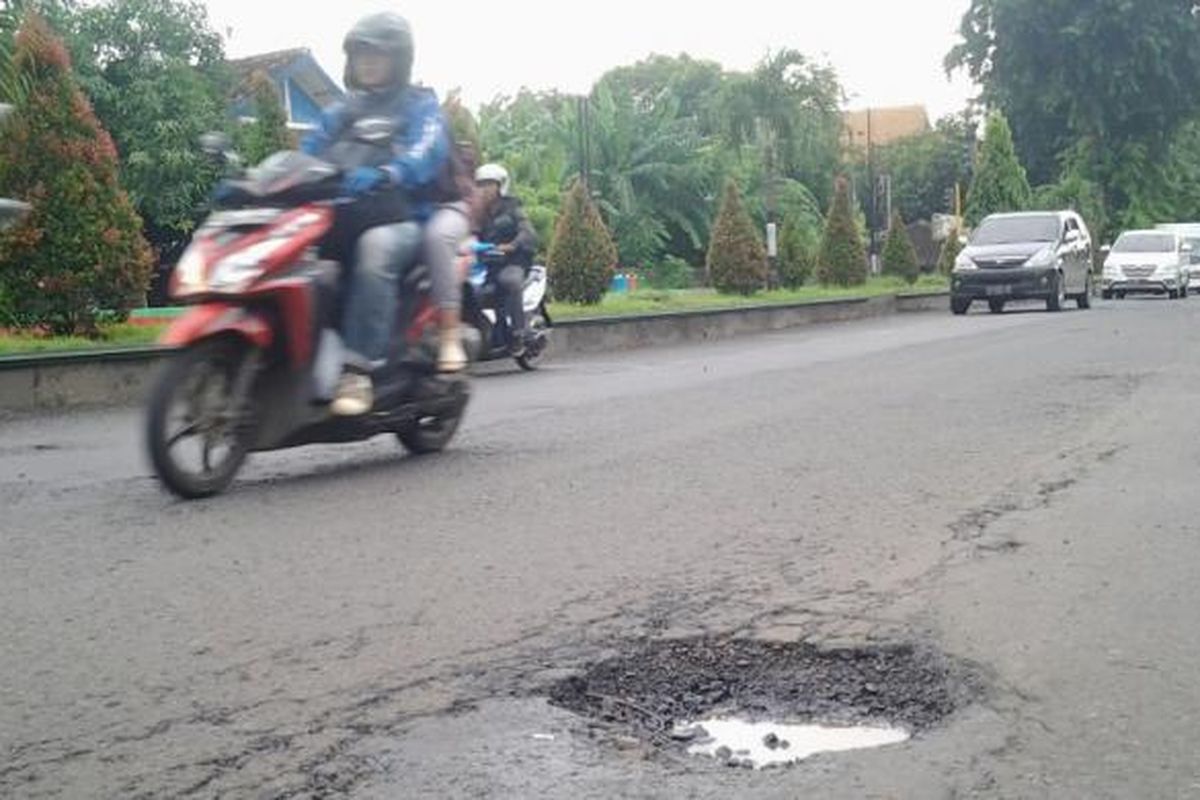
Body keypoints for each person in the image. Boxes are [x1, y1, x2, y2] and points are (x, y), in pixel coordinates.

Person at [301, 12, 469, 416]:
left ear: (400, 59)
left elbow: (425, 152)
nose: (369, 61)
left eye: (378, 53)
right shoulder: (343, 110)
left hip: (401, 219)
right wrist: (267, 179)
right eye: (361, 53)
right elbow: (308, 150)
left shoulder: (419, 107)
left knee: (374, 249)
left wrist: (389, 173)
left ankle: (357, 371)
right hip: (341, 219)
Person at [473, 163, 538, 354]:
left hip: (512, 262)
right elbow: (470, 234)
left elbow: (527, 231)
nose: (484, 189)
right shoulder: (478, 213)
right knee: (473, 292)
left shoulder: (512, 207)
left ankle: (520, 333)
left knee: (509, 281)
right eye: (480, 185)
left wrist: (512, 245)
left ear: (500, 185)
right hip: (488, 265)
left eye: (488, 184)